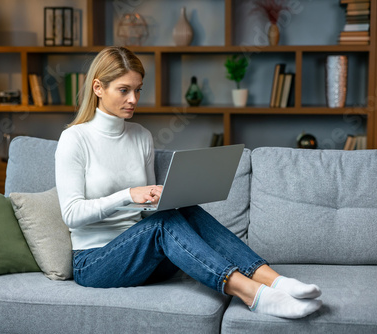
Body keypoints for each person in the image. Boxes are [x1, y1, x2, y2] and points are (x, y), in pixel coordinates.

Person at [55, 46, 322, 319]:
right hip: (96, 262)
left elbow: (147, 211)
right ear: (98, 88)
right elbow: (72, 214)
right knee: (163, 224)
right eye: (124, 90)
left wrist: (166, 197)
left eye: (138, 90)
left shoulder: (141, 136)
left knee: (184, 210)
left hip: (147, 259)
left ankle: (276, 281)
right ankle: (254, 294)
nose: (133, 99)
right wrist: (128, 194)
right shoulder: (75, 139)